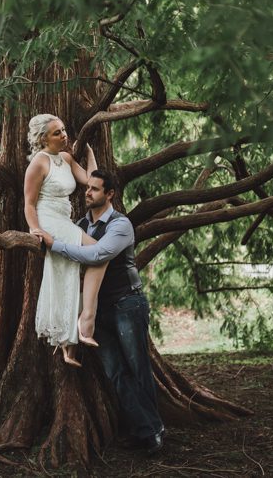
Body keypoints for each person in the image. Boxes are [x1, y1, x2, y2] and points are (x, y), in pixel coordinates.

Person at [34, 169, 165, 455]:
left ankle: (153, 432)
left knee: (138, 368)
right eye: (88, 187)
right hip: (96, 310)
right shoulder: (81, 225)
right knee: (116, 372)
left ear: (110, 194)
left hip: (127, 303)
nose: (88, 192)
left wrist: (56, 245)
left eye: (95, 189)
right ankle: (147, 428)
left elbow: (97, 255)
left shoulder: (121, 225)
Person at [24, 114, 108, 367]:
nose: (64, 136)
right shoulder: (38, 163)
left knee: (70, 271)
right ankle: (78, 330)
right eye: (57, 133)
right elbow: (28, 203)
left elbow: (92, 180)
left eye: (63, 130)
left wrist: (90, 150)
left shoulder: (66, 158)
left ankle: (69, 341)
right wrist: (35, 229)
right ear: (43, 139)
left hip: (65, 221)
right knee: (96, 253)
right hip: (49, 221)